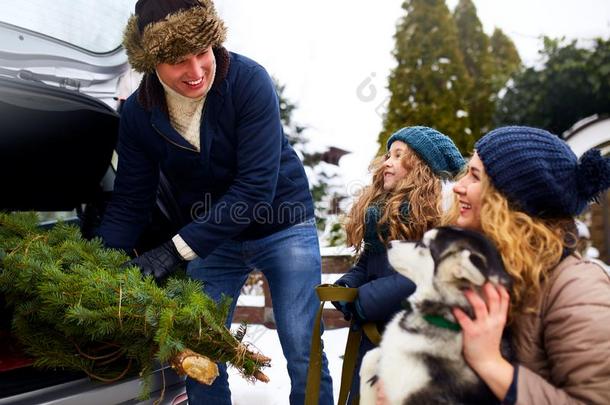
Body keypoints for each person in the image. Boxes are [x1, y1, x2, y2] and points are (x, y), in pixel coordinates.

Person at [98, 1, 333, 403]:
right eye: (177, 60)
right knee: (199, 348)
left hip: (281, 223)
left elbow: (256, 189)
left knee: (300, 344)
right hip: (212, 237)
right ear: (152, 59)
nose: (195, 71)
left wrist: (173, 251)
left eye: (202, 52)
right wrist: (100, 268)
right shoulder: (139, 114)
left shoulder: (248, 81)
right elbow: (130, 202)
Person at [376, 126, 610, 404]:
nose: (459, 186)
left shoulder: (577, 290)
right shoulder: (483, 266)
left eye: (474, 176)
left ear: (511, 201)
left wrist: (490, 364)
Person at [333, 126, 465, 403]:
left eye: (398, 155)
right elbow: (370, 258)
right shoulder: (382, 212)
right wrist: (348, 286)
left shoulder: (438, 217)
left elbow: (421, 274)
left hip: (412, 336)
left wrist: (366, 300)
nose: (387, 162)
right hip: (374, 329)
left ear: (420, 166)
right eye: (388, 155)